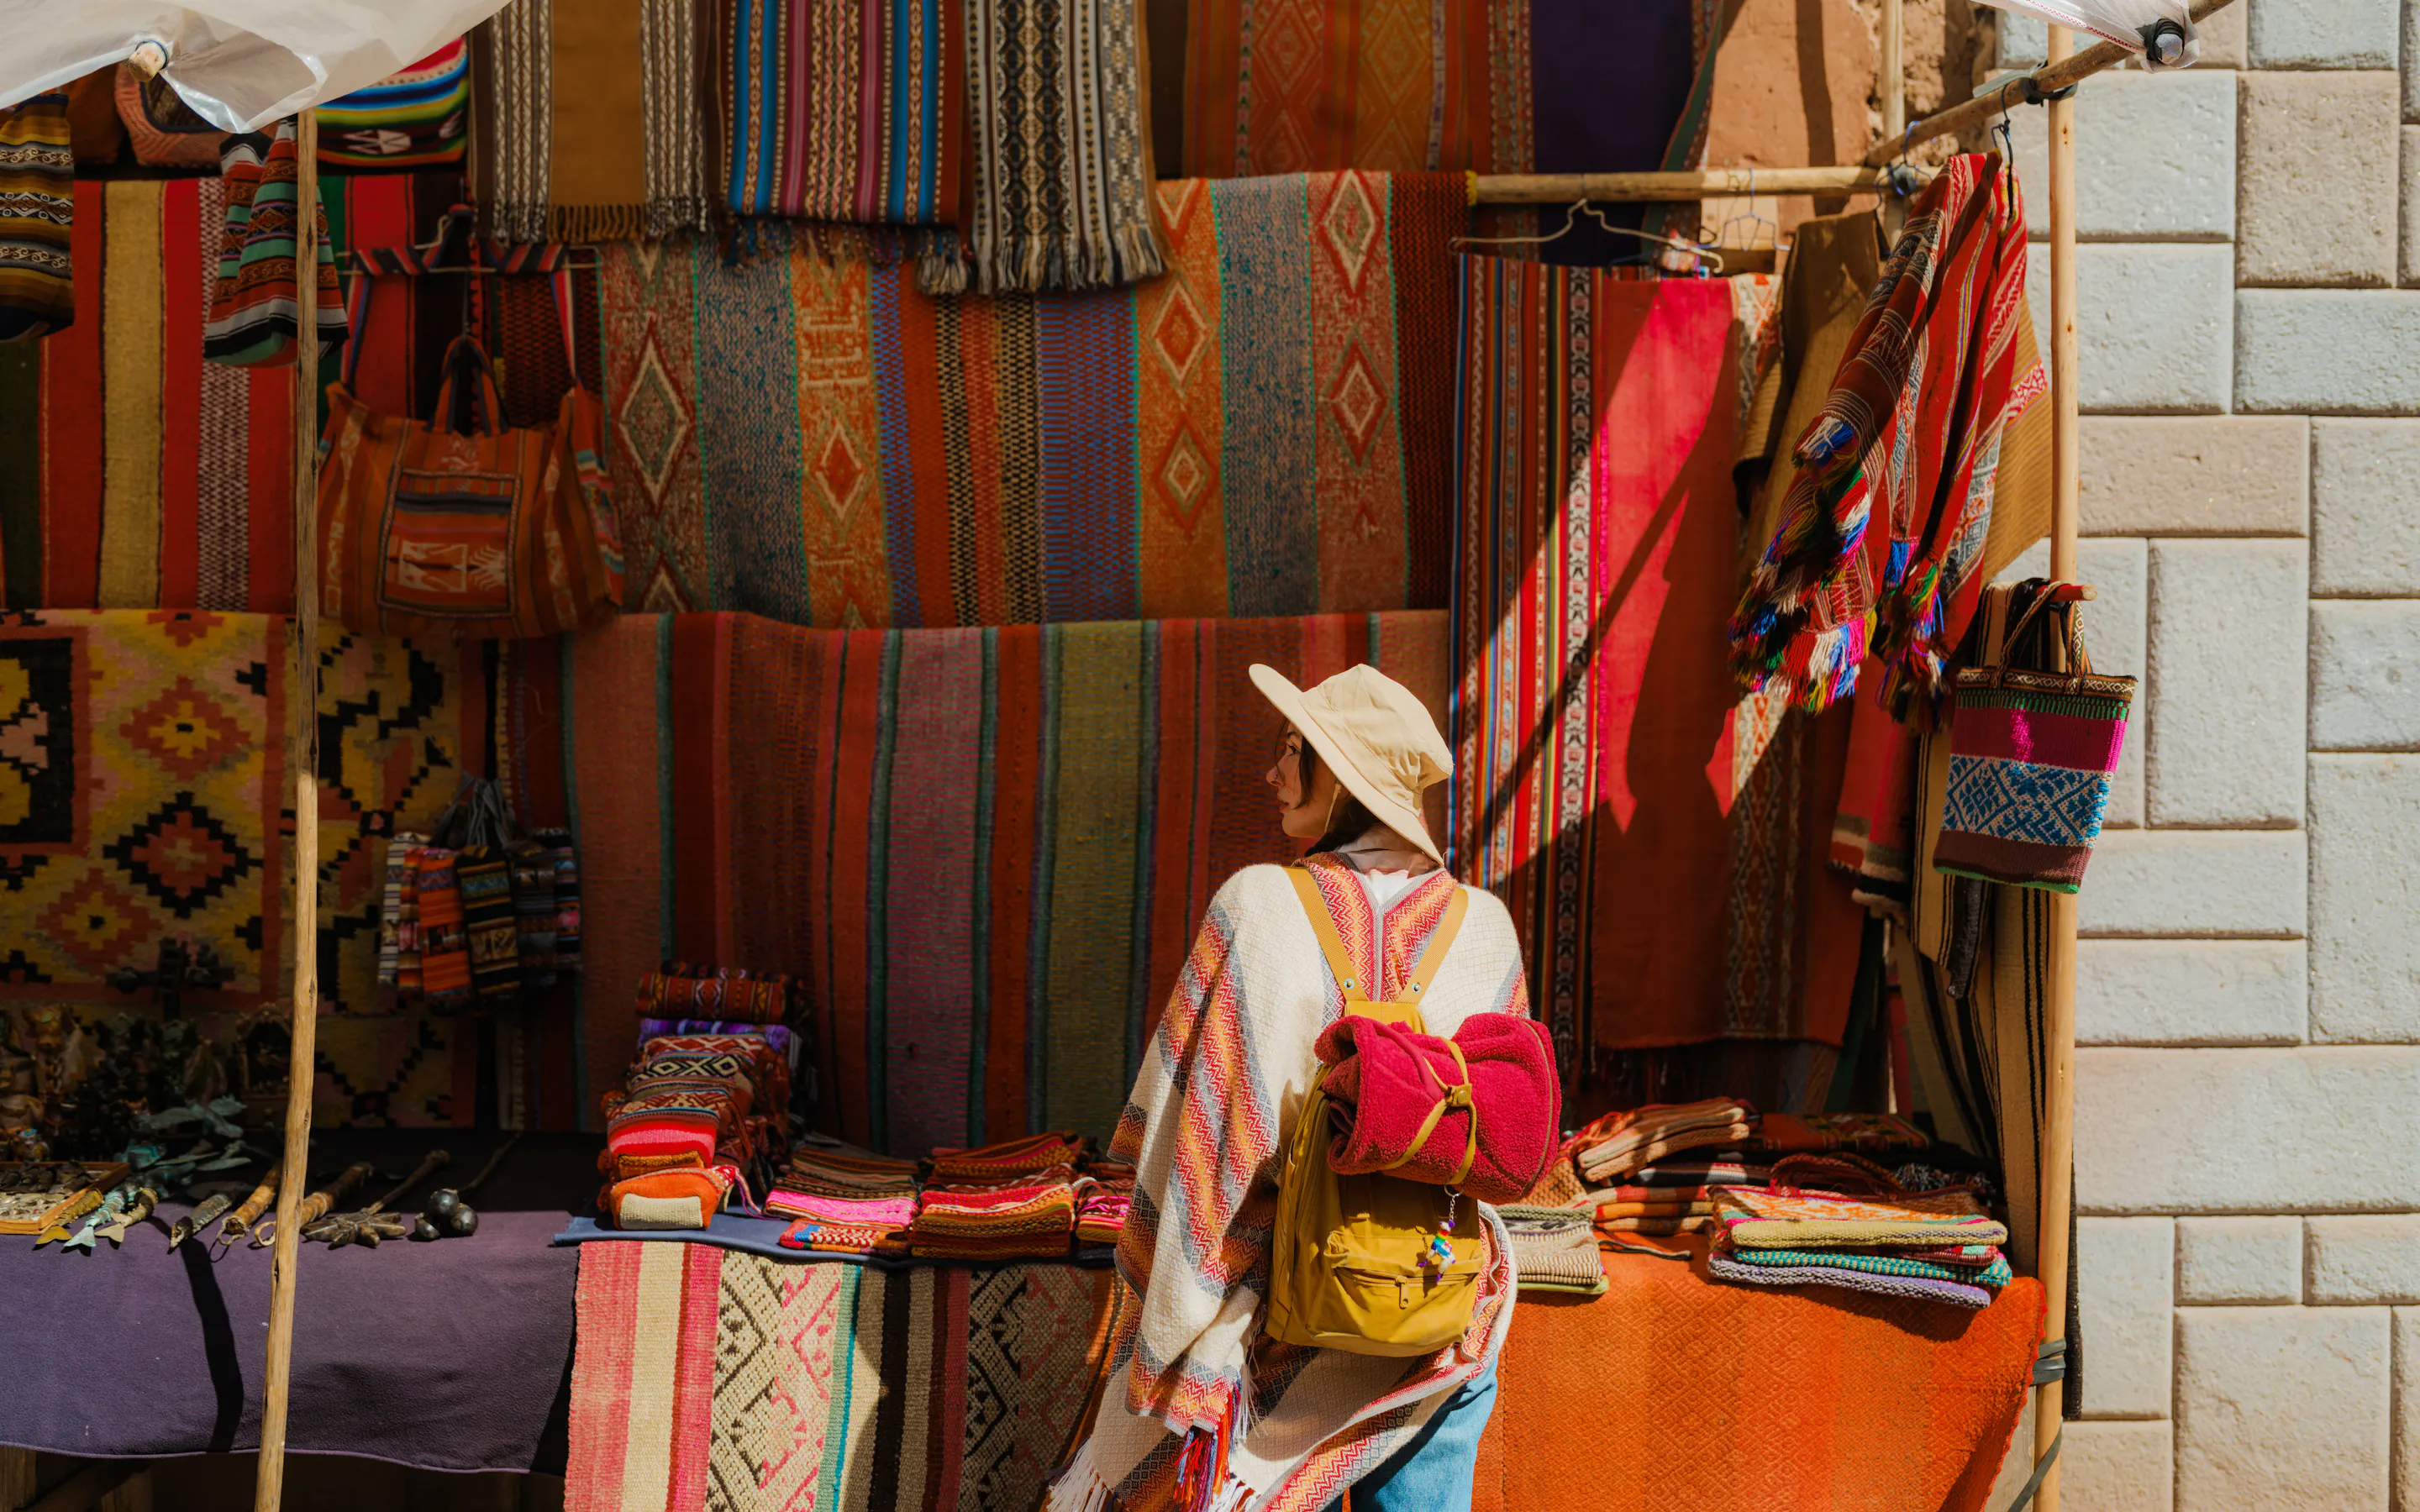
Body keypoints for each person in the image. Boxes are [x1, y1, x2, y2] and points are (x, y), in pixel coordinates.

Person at [1047, 664, 1532, 1512]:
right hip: (1439, 1313)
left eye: (1291, 749)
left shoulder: (1258, 904)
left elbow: (1195, 1142)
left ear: (1341, 772)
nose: (1272, 772)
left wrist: (1175, 1317)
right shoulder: (1488, 928)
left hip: (1279, 1325)